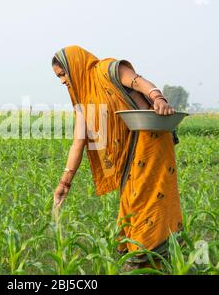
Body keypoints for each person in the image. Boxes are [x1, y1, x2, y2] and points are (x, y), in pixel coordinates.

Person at [51, 45, 184, 271]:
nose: (63, 81)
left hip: (151, 142)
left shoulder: (108, 69)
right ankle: (149, 261)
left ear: (75, 65)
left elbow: (140, 82)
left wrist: (157, 98)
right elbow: (78, 142)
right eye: (59, 77)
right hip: (129, 158)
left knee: (149, 203)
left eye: (63, 74)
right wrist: (65, 182)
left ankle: (142, 262)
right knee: (132, 205)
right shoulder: (82, 100)